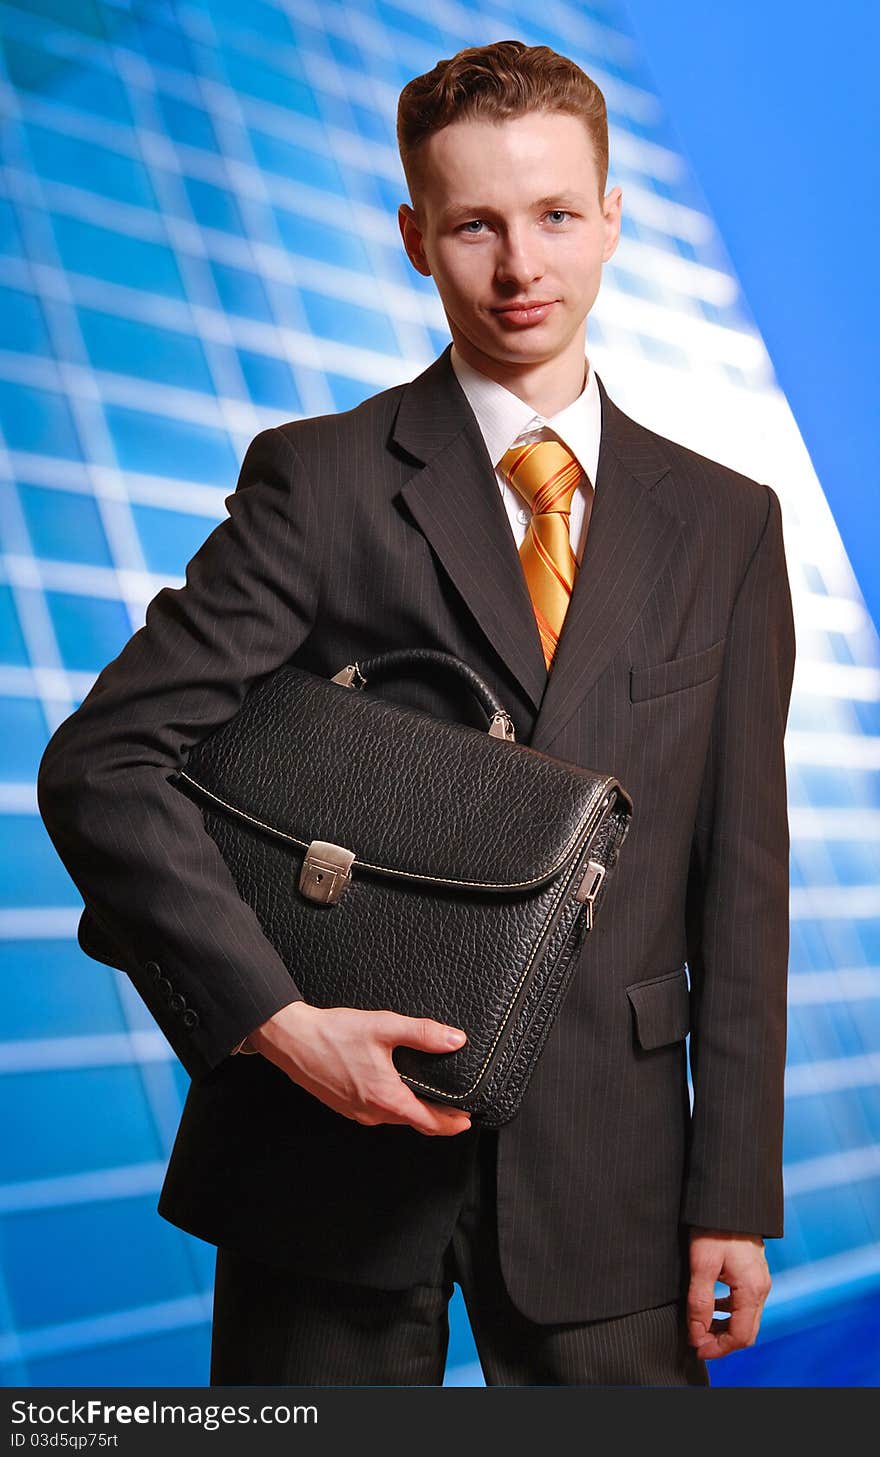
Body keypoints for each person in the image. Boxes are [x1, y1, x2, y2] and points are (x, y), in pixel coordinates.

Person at [36, 40, 795, 1387]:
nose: (522, 268)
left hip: (616, 1174)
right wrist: (276, 1022)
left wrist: (733, 1187)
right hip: (322, 1160)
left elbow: (742, 881)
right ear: (411, 237)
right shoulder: (318, 482)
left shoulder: (729, 527)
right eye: (476, 226)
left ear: (614, 218)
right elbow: (104, 764)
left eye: (559, 215)